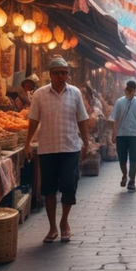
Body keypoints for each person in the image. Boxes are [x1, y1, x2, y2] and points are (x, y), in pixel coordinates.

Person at [24, 57, 89, 244]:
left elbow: (82, 119)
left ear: (68, 74)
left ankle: (64, 222)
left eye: (65, 73)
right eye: (58, 73)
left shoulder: (75, 93)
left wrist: (86, 143)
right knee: (49, 189)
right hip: (48, 148)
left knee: (69, 185)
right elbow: (33, 120)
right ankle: (52, 226)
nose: (62, 76)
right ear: (50, 75)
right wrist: (27, 143)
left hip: (70, 147)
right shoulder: (39, 95)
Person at [111, 80, 136, 192]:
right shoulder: (119, 102)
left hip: (135, 135)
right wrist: (114, 132)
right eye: (127, 89)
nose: (129, 91)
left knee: (134, 159)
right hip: (121, 135)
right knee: (122, 159)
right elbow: (115, 119)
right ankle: (125, 175)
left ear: (135, 91)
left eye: (131, 90)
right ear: (125, 89)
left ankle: (132, 181)